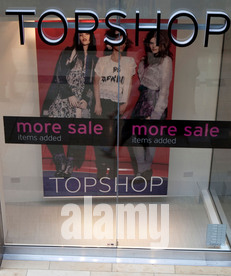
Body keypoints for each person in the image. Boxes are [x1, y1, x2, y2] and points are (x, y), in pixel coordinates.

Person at [42, 31, 97, 177]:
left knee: (77, 134)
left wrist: (86, 99)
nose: (83, 37)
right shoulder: (68, 52)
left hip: (81, 101)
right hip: (63, 95)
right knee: (51, 130)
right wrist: (69, 95)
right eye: (80, 35)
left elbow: (92, 84)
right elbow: (59, 75)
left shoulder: (94, 59)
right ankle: (60, 160)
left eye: (86, 34)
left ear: (91, 37)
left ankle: (70, 163)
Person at [93, 30, 136, 179]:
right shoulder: (103, 61)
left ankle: (111, 168)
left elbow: (129, 85)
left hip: (118, 104)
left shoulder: (129, 62)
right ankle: (100, 168)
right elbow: (96, 82)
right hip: (103, 102)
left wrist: (124, 104)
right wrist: (98, 103)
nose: (122, 44)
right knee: (100, 138)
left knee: (112, 138)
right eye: (119, 40)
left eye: (124, 41)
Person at [131, 30, 173, 180]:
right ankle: (141, 170)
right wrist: (142, 64)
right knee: (137, 138)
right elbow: (143, 81)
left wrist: (156, 113)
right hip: (143, 100)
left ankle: (145, 169)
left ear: (163, 44)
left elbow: (164, 89)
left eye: (157, 43)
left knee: (150, 139)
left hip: (155, 101)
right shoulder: (146, 60)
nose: (153, 46)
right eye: (151, 42)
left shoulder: (166, 60)